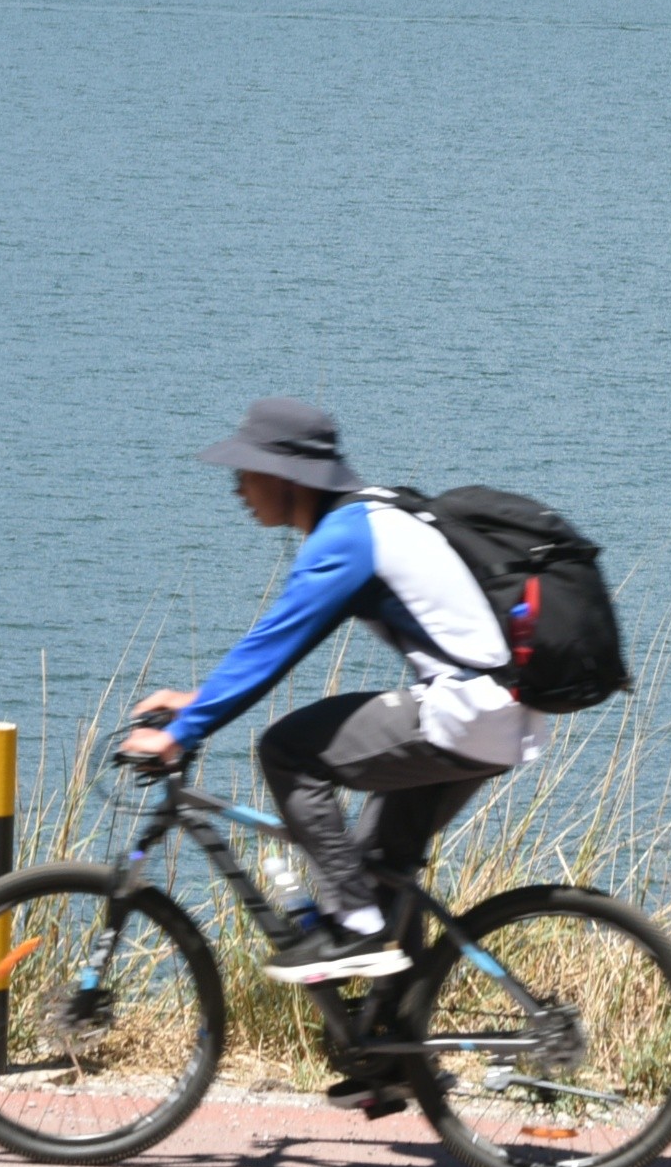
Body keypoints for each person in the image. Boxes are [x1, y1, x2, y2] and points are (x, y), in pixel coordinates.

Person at [118, 400, 531, 986]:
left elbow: (274, 645)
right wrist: (200, 699)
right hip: (497, 714)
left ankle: (359, 928)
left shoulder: (348, 537)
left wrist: (181, 734)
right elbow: (271, 644)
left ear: (289, 476)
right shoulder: (374, 514)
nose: (237, 487)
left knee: (288, 749)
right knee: (378, 866)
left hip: (464, 711)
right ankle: (394, 1063)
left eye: (247, 470)